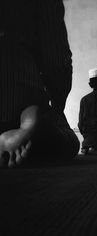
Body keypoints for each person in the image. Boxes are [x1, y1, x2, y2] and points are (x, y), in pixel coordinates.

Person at [0, 0, 80, 168]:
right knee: (69, 141)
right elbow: (58, 63)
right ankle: (27, 126)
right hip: (16, 103)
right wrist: (56, 108)